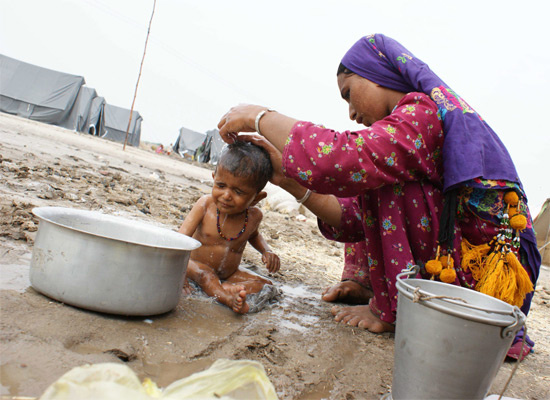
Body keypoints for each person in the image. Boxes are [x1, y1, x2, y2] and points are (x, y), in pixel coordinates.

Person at [216, 34, 541, 356]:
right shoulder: (406, 131)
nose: (351, 113)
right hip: (460, 275)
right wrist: (288, 180)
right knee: (369, 174)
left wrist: (259, 117)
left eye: (349, 94)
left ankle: (396, 309)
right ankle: (372, 286)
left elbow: (339, 158)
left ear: (378, 73)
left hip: (485, 292)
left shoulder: (422, 113)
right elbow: (351, 218)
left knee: (373, 173)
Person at [178, 141, 281, 314]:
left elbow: (254, 235)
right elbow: (180, 241)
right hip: (194, 266)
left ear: (256, 198)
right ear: (214, 178)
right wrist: (179, 273)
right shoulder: (205, 206)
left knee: (264, 284)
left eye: (238, 192)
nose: (226, 196)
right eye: (220, 185)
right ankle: (227, 298)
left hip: (229, 273)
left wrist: (266, 251)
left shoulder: (254, 216)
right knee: (207, 276)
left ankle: (225, 288)